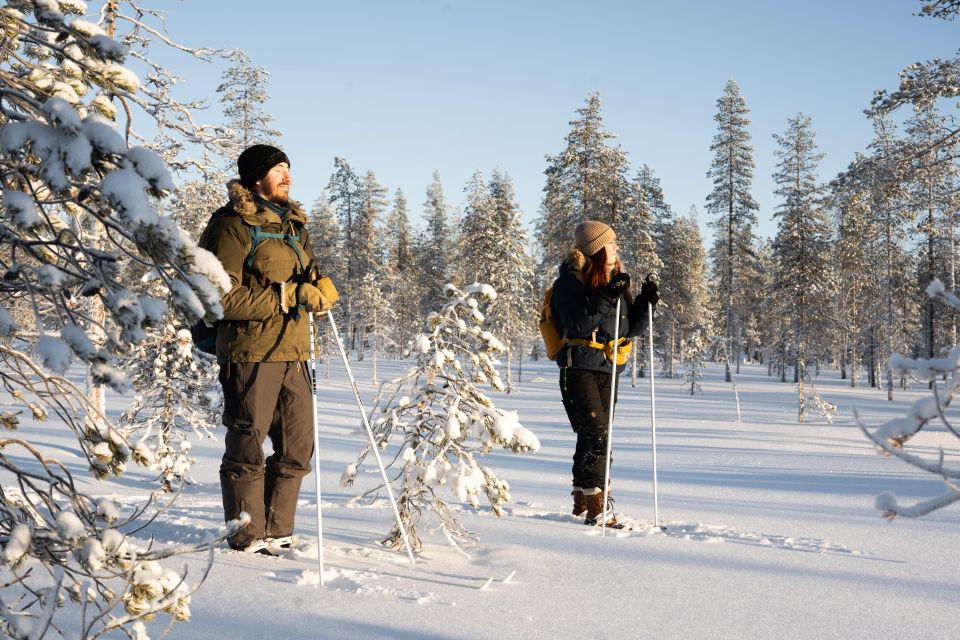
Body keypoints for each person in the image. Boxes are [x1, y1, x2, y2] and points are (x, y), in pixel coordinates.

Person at [198, 144, 339, 553]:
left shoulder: (293, 226)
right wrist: (288, 296)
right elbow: (218, 298)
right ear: (256, 176)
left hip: (294, 352)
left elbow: (306, 278)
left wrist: (320, 288)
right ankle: (246, 537)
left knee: (298, 446)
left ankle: (279, 531)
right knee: (247, 444)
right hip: (251, 353)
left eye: (287, 169)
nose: (286, 175)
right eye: (278, 169)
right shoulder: (231, 226)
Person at [550, 220, 658, 527]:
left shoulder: (614, 281)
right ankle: (598, 507)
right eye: (611, 243)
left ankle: (584, 499)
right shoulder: (569, 282)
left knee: (597, 435)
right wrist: (608, 295)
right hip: (578, 368)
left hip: (608, 368)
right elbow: (578, 324)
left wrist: (644, 303)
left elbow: (626, 330)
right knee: (597, 436)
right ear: (597, 249)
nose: (617, 248)